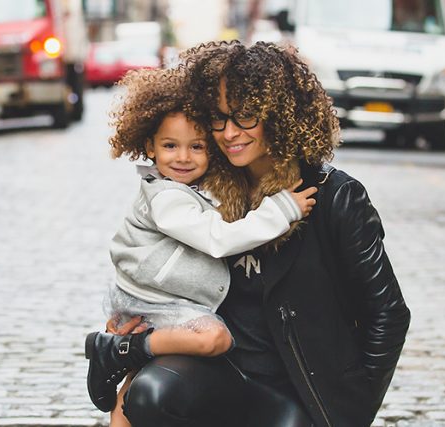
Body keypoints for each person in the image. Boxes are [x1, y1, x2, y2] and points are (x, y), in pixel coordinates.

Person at [112, 41, 412, 427]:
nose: (229, 133)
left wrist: (349, 411)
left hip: (296, 390)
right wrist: (130, 332)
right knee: (150, 394)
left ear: (279, 114)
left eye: (246, 117)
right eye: (218, 118)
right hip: (220, 372)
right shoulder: (203, 190)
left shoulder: (334, 197)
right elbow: (154, 265)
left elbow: (388, 316)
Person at [85, 67, 318, 427]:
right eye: (170, 146)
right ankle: (115, 351)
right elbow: (218, 239)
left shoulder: (191, 188)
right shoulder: (166, 198)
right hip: (155, 300)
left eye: (197, 147)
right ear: (149, 146)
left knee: (132, 398)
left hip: (158, 298)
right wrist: (282, 210)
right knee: (214, 338)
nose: (183, 157)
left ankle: (125, 364)